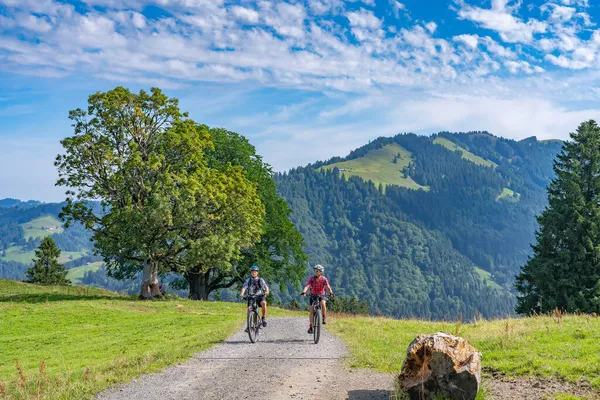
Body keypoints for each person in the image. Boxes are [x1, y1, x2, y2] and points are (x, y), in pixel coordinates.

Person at [301, 264, 334, 334]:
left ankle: (324, 317)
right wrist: (304, 292)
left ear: (321, 272)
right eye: (315, 270)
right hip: (313, 295)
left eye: (317, 271)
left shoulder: (324, 279)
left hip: (321, 294)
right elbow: (307, 285)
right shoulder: (312, 279)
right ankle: (310, 326)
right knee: (311, 310)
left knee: (323, 303)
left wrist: (331, 293)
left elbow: (328, 286)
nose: (315, 272)